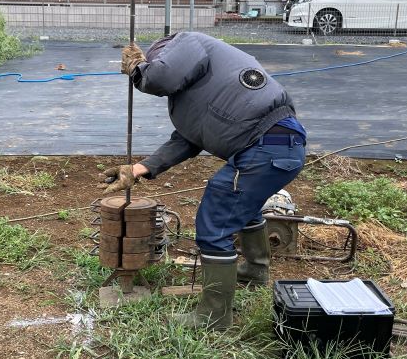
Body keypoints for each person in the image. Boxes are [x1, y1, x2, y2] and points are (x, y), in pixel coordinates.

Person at [104, 33, 307, 330]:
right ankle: (254, 271)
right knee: (244, 206)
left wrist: (138, 69)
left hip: (265, 146)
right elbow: (187, 140)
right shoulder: (204, 90)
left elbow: (160, 77)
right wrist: (139, 169)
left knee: (216, 218)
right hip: (279, 144)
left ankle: (214, 316)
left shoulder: (185, 41)